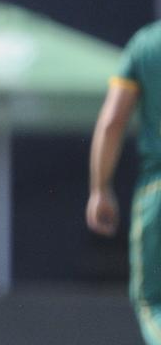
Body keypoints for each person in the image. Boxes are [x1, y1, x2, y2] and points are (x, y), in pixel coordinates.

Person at [87, 20, 161, 344]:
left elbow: (113, 122)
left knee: (153, 301)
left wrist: (100, 189)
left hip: (157, 191)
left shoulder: (146, 44)